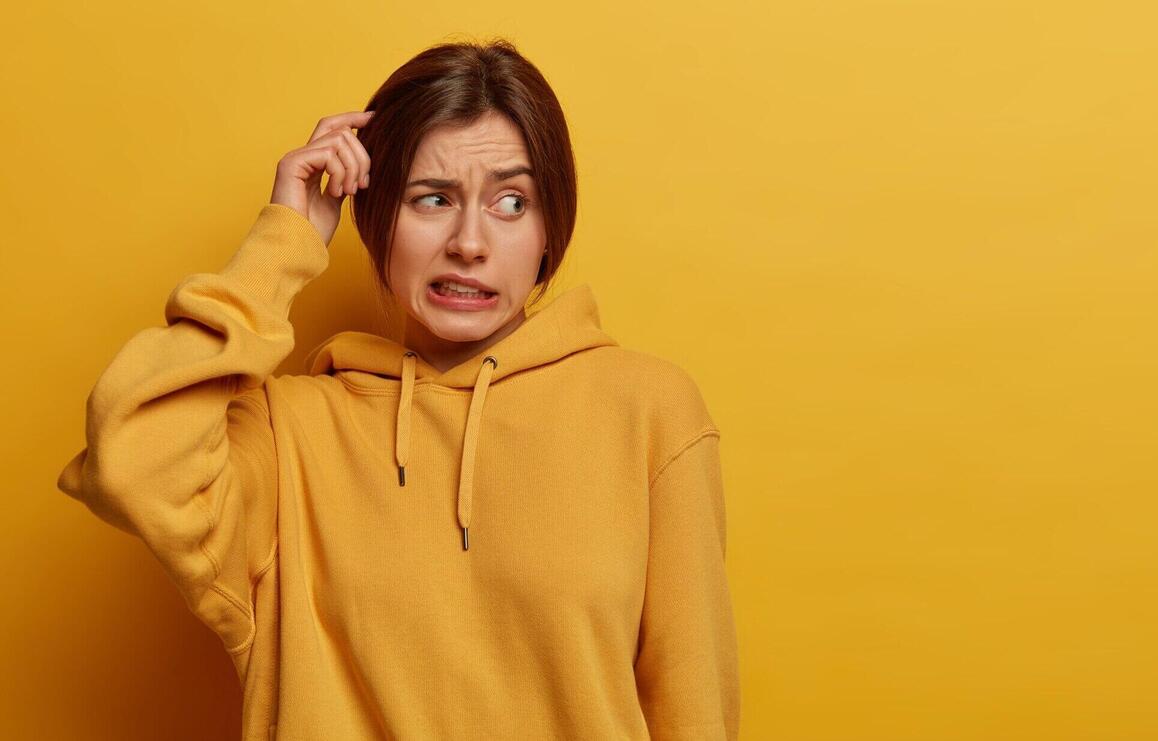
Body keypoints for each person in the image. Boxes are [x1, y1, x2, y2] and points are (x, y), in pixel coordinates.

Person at [56, 39, 739, 740]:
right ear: (380, 223)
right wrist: (284, 242)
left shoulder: (649, 411)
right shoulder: (289, 432)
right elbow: (131, 458)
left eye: (510, 201)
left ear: (547, 233)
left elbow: (693, 707)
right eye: (432, 198)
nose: (469, 242)